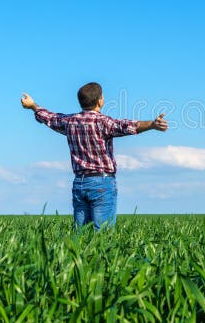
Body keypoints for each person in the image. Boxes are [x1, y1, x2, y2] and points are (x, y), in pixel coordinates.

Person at [20, 82, 168, 230]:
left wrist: (33, 106)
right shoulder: (103, 122)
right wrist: (152, 124)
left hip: (79, 183)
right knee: (103, 237)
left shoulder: (70, 121)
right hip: (102, 182)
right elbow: (128, 126)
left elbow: (50, 118)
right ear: (100, 101)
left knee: (81, 235)